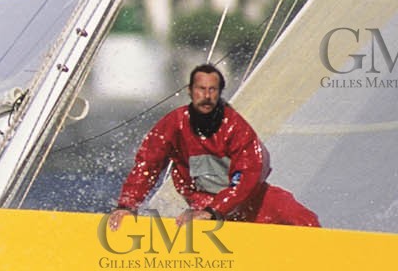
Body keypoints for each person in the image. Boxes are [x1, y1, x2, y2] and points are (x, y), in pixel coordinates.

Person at [110, 63, 319, 230]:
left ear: (219, 93)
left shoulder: (236, 128)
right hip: (201, 201)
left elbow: (247, 176)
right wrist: (127, 205)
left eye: (212, 90)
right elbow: (147, 165)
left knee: (304, 219)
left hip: (248, 199)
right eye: (201, 89)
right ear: (190, 91)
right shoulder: (173, 124)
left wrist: (214, 210)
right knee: (198, 218)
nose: (207, 96)